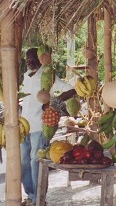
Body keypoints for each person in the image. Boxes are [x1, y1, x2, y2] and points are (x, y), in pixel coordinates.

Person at [20, 48, 75, 206]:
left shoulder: (48, 74)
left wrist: (54, 103)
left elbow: (71, 90)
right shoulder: (26, 75)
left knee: (35, 161)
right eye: (27, 59)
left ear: (40, 59)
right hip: (24, 125)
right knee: (24, 161)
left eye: (32, 58)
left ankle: (39, 198)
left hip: (40, 124)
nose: (29, 61)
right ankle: (30, 195)